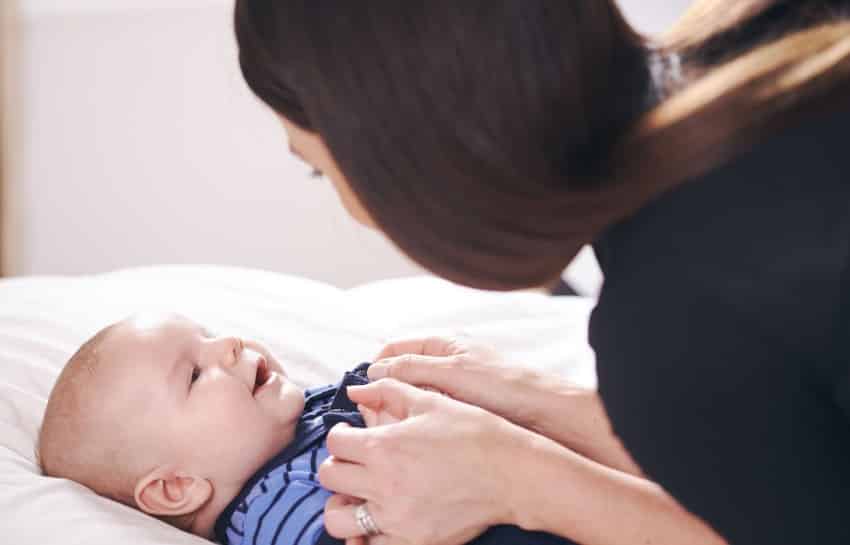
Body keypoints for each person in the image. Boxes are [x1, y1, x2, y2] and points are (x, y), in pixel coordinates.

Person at [233, 0, 850, 543]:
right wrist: (542, 404)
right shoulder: (777, 30)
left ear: (403, 156)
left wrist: (517, 482)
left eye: (321, 169)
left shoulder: (675, 313)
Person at [37, 314, 576, 545]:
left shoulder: (305, 413)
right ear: (177, 486)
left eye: (208, 334)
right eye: (195, 374)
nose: (229, 344)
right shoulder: (272, 511)